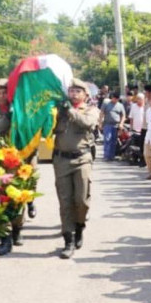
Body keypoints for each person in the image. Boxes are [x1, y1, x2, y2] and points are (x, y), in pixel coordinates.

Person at [53, 78, 97, 259]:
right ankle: (68, 240)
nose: (73, 94)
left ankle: (79, 227)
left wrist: (70, 111)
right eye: (71, 91)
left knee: (81, 200)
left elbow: (87, 124)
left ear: (86, 95)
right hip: (62, 160)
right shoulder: (60, 111)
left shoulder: (91, 110)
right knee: (65, 201)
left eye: (78, 91)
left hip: (82, 158)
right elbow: (48, 127)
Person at [101, 92, 126, 161]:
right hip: (107, 124)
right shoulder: (106, 104)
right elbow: (102, 113)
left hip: (116, 125)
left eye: (117, 99)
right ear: (112, 98)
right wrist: (100, 123)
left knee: (114, 140)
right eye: (114, 98)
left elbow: (123, 115)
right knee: (107, 139)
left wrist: (121, 123)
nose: (115, 100)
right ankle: (106, 155)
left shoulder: (120, 105)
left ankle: (111, 156)